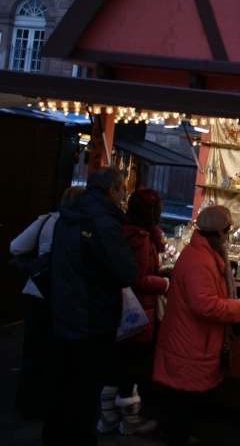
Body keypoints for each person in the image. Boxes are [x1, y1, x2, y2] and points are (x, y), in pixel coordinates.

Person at [42, 167, 139, 446]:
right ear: (112, 191)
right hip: (92, 317)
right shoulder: (104, 223)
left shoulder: (68, 216)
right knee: (84, 390)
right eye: (122, 190)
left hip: (65, 311)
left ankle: (53, 437)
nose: (123, 196)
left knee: (61, 383)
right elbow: (125, 272)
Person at [152, 205, 240, 446]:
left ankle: (176, 434)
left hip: (192, 339)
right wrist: (238, 307)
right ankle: (177, 437)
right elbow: (204, 306)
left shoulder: (203, 252)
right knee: (188, 399)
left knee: (185, 399)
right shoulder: (201, 260)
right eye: (227, 231)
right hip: (191, 342)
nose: (228, 236)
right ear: (217, 233)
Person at [97, 188, 169, 435]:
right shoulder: (140, 237)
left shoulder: (126, 230)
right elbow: (138, 278)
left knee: (117, 362)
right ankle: (129, 418)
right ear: (151, 212)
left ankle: (107, 416)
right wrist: (165, 283)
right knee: (129, 364)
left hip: (121, 307)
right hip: (137, 310)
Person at [9, 185, 84, 419]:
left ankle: (27, 402)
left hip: (38, 292)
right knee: (58, 353)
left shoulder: (46, 221)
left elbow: (16, 247)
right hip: (65, 296)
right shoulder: (83, 227)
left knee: (33, 350)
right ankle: (50, 403)